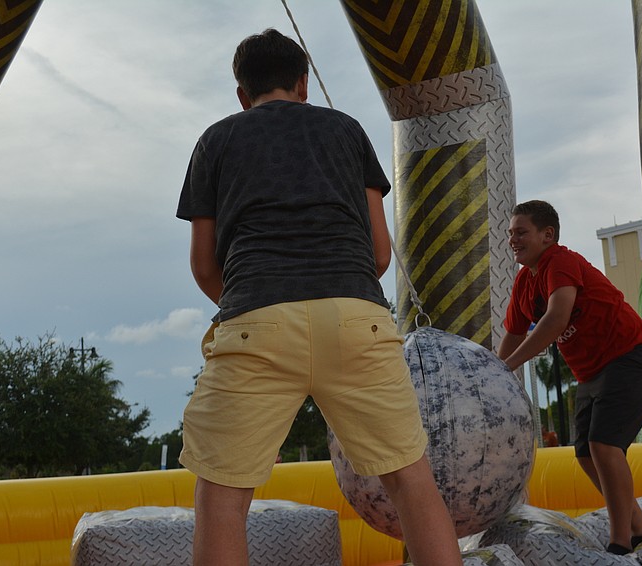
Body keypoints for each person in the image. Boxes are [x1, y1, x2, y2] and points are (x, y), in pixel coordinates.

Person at [176, 29, 461, 566]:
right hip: (356, 316)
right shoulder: (346, 130)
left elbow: (204, 266)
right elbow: (379, 253)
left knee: (222, 497)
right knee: (410, 481)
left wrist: (252, 301)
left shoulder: (216, 140)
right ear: (304, 84)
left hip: (256, 321)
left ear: (242, 94)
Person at [497, 200, 642, 555]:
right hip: (591, 372)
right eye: (510, 234)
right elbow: (513, 334)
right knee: (585, 453)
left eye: (521, 232)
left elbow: (556, 318)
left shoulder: (560, 261)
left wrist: (509, 366)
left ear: (547, 235)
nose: (512, 240)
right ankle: (640, 526)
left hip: (626, 356)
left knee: (604, 446)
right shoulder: (524, 282)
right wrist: (493, 374)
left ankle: (620, 541)